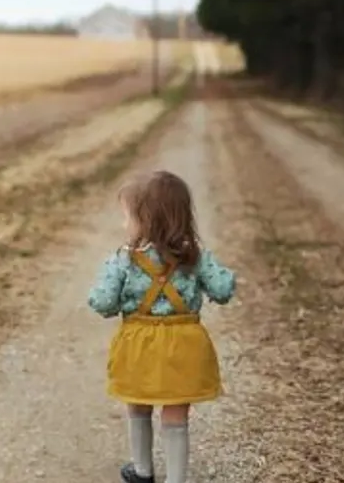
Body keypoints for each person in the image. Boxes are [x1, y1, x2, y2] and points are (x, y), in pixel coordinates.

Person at [87, 170, 237, 483]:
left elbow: (102, 302)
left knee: (138, 405)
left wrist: (113, 298)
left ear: (147, 219)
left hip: (138, 343)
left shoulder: (124, 260)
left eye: (127, 217)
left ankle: (142, 471)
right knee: (176, 414)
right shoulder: (195, 256)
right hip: (184, 344)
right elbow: (223, 290)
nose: (123, 225)